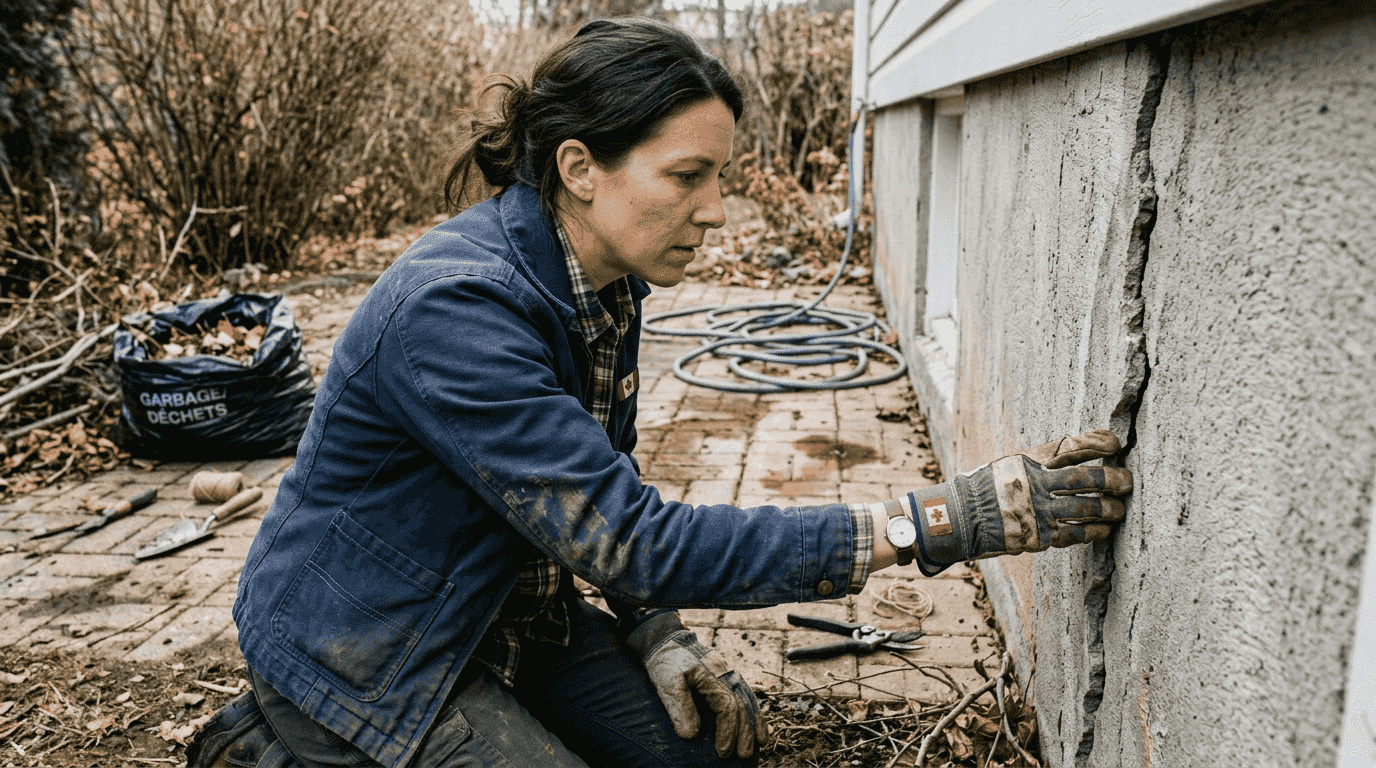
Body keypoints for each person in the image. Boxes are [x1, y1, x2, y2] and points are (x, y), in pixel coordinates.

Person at [188, 16, 1133, 768]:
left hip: (504, 615)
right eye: (687, 176)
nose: (715, 210)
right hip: (369, 649)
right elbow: (633, 539)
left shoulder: (602, 283)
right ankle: (273, 745)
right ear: (578, 168)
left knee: (710, 755)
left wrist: (656, 632)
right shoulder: (457, 312)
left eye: (718, 176)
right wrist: (930, 522)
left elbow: (600, 499)